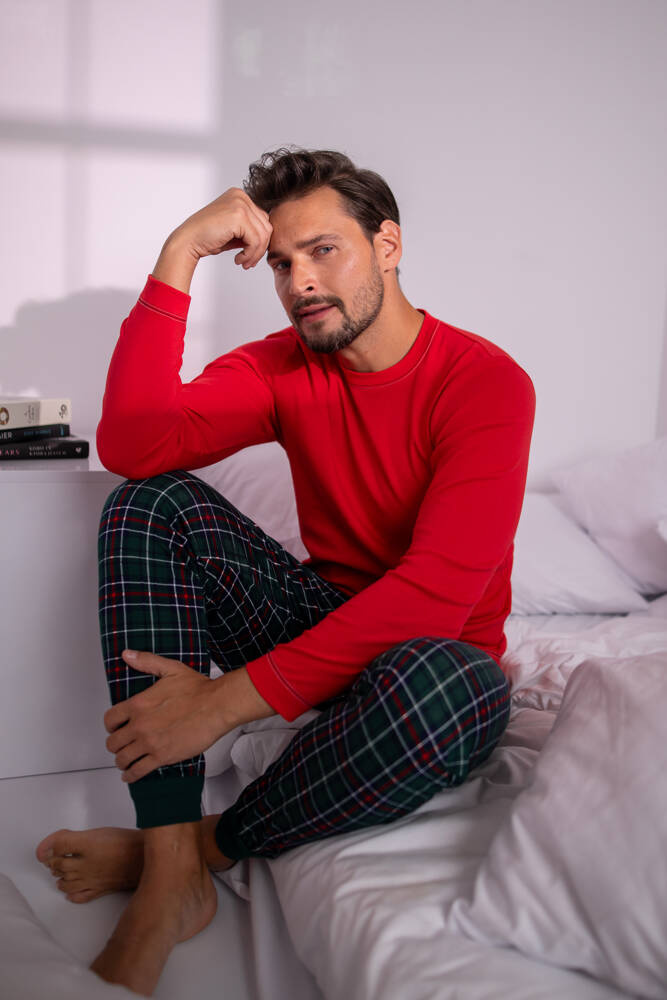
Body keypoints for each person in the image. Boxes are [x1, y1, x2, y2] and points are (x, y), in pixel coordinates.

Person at [36, 147, 535, 996]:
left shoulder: (485, 383)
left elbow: (435, 597)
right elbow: (133, 446)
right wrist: (179, 253)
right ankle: (169, 867)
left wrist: (222, 703)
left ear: (387, 245)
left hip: (421, 660)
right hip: (316, 618)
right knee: (151, 502)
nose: (300, 280)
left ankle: (203, 847)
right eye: (280, 262)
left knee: (460, 688)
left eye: (323, 250)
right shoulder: (282, 365)